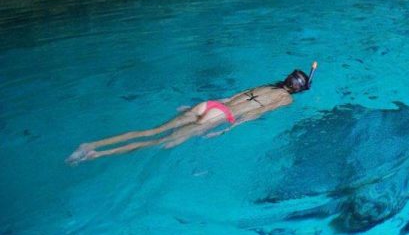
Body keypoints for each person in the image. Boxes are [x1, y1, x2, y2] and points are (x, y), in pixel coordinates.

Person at [66, 63, 317, 164]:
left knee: (151, 131)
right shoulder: (284, 99)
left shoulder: (267, 85)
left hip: (210, 106)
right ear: (298, 90)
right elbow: (254, 114)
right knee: (160, 144)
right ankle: (96, 154)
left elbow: (229, 98)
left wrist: (192, 110)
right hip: (220, 117)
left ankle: (90, 143)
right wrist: (228, 130)